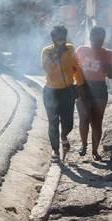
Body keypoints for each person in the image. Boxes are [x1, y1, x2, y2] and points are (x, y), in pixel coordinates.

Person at [41, 25, 85, 160]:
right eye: (58, 39)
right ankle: (55, 150)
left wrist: (81, 84)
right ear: (53, 39)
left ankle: (64, 135)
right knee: (53, 122)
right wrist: (57, 57)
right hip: (51, 91)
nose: (61, 41)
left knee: (69, 122)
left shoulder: (70, 48)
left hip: (68, 90)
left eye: (63, 38)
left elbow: (76, 67)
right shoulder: (47, 51)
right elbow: (47, 70)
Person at [76, 26, 112, 161]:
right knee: (84, 119)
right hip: (83, 87)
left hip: (99, 89)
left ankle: (95, 151)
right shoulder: (81, 50)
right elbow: (73, 68)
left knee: (97, 122)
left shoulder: (108, 53)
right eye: (96, 39)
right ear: (90, 38)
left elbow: (111, 75)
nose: (99, 42)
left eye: (101, 39)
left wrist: (108, 69)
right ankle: (84, 145)